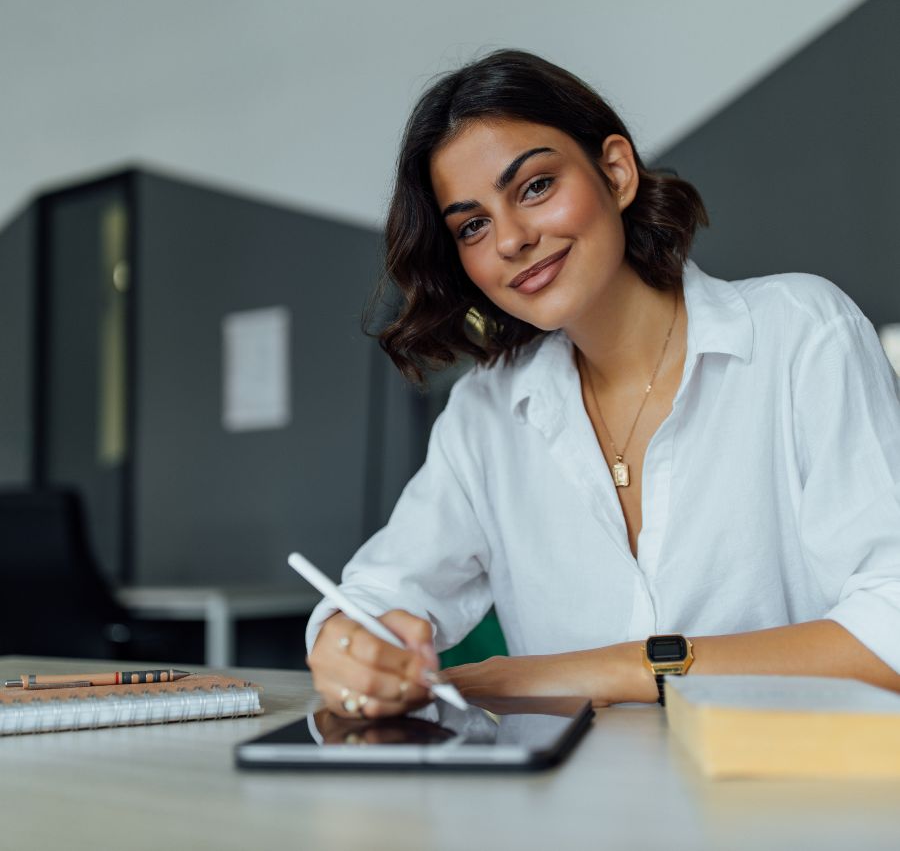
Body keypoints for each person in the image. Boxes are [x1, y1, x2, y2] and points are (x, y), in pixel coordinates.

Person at [306, 49, 900, 719]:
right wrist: (347, 643)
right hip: (572, 815)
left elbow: (891, 630)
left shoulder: (800, 334)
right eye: (473, 225)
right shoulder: (487, 410)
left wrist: (575, 674)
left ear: (615, 172)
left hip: (787, 804)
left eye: (534, 187)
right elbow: (379, 594)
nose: (511, 239)